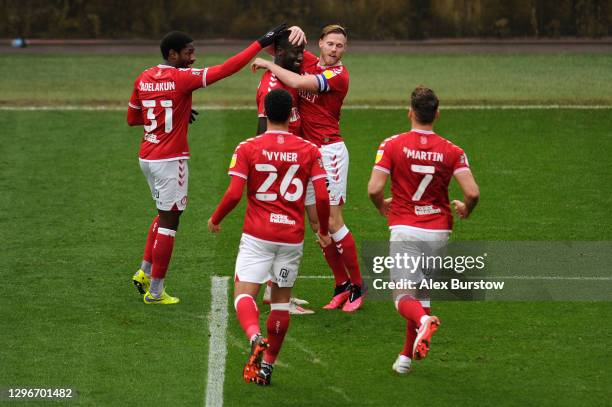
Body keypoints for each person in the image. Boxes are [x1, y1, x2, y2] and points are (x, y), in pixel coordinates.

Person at [127, 24, 289, 304]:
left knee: (165, 213)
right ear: (173, 54)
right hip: (170, 159)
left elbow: (133, 118)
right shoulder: (182, 78)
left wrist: (176, 113)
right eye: (189, 53)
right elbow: (227, 68)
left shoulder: (143, 77)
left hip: (148, 157)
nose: (193, 58)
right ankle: (155, 291)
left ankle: (144, 271)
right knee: (170, 221)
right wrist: (260, 42)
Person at [208, 89, 331, 385]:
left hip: (258, 235)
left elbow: (235, 193)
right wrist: (323, 229)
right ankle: (268, 366)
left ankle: (254, 337)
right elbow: (323, 196)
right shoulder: (310, 150)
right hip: (291, 237)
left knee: (243, 295)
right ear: (292, 114)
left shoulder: (248, 147)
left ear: (264, 111)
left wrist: (215, 219)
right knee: (280, 303)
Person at [367, 86, 480, 374]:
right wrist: (467, 209)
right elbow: (472, 192)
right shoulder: (453, 150)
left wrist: (382, 205)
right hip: (438, 231)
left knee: (403, 297)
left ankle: (424, 322)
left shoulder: (391, 144)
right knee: (423, 292)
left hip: (406, 228)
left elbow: (374, 189)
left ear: (410, 113)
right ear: (437, 114)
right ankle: (405, 358)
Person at [251, 24, 364, 312]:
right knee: (318, 226)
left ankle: (358, 288)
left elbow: (300, 84)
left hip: (330, 152)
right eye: (330, 44)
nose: (334, 50)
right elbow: (280, 47)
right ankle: (341, 285)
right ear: (321, 43)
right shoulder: (310, 61)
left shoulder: (339, 75)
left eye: (340, 46)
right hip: (308, 155)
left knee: (334, 222)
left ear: (345, 49)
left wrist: (267, 65)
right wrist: (291, 27)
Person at [255, 29, 314, 315]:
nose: (301, 56)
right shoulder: (273, 87)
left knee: (285, 232)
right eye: (295, 51)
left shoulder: (286, 75)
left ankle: (272, 291)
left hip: (290, 165)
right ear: (277, 52)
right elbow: (261, 135)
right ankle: (280, 299)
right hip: (282, 170)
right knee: (286, 234)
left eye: (303, 50)